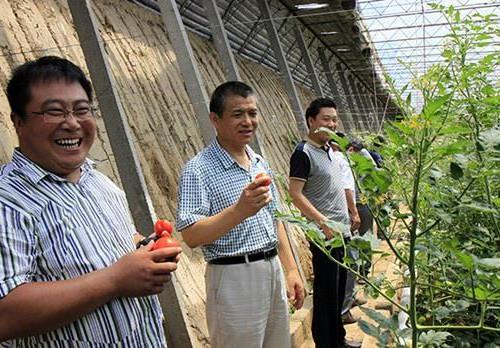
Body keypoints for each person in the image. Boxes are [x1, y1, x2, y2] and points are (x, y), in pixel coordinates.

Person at [0, 56, 181, 347]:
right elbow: (4, 314)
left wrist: (145, 250)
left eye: (82, 110)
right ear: (18, 121)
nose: (72, 123)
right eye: (54, 112)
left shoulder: (96, 179)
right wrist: (115, 280)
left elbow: (115, 242)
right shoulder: (8, 200)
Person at [176, 81, 304, 348]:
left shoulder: (259, 162)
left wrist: (291, 269)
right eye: (238, 114)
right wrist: (239, 210)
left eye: (252, 113)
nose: (248, 121)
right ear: (215, 119)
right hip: (233, 276)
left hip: (271, 269)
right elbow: (191, 234)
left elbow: (275, 218)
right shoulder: (198, 170)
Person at [288, 97, 361, 348]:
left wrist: (349, 213)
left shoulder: (328, 150)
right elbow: (295, 193)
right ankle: (326, 343)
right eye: (325, 119)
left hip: (341, 232)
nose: (331, 124)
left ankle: (338, 339)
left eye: (334, 119)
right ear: (311, 121)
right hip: (324, 236)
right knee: (326, 292)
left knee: (339, 289)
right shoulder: (303, 153)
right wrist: (321, 222)